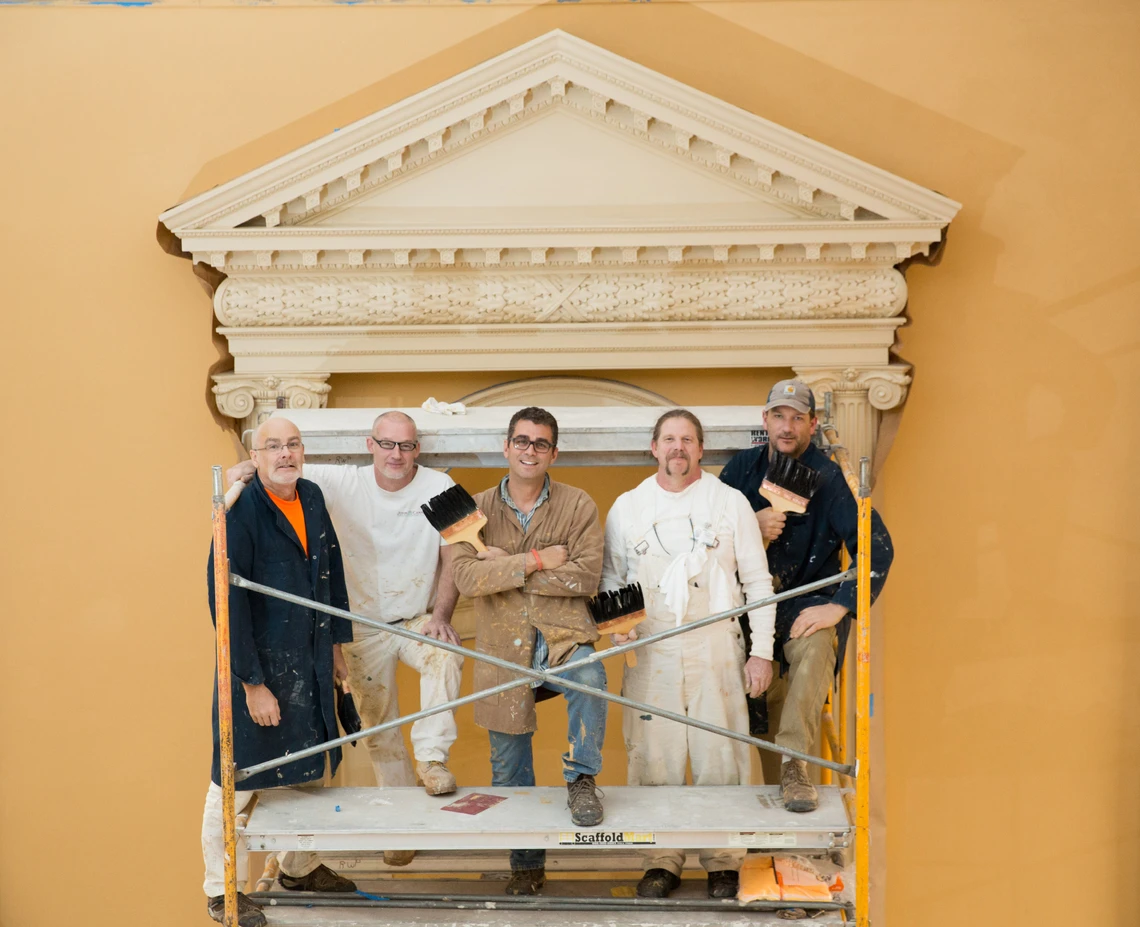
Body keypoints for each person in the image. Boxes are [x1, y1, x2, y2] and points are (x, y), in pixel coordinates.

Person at [228, 410, 464, 868]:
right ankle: (400, 827)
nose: (397, 454)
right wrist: (241, 470)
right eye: (388, 444)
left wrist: (441, 614)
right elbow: (280, 463)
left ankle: (433, 759)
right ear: (370, 444)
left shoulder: (440, 487)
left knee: (446, 655)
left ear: (418, 449)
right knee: (380, 731)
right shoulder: (338, 481)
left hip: (417, 618)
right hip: (360, 628)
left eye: (407, 446)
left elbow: (458, 550)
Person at [600, 408, 776, 900]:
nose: (678, 448)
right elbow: (612, 580)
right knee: (655, 755)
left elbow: (757, 582)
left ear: (701, 449)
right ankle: (661, 859)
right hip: (651, 646)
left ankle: (722, 861)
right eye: (669, 439)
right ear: (654, 448)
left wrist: (761, 652)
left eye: (688, 440)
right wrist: (619, 629)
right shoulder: (628, 507)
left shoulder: (730, 502)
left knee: (719, 752)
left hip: (716, 641)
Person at [204, 417, 356, 927]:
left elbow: (329, 576)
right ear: (256, 454)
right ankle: (219, 890)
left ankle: (298, 868)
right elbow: (225, 602)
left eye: (293, 444)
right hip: (260, 665)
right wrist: (251, 684)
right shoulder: (240, 507)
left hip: (309, 658)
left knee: (308, 769)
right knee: (235, 780)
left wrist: (336, 654)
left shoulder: (310, 496)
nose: (285, 454)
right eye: (273, 446)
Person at [450, 407, 607, 897]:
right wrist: (536, 559)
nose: (530, 450)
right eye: (522, 440)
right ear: (506, 446)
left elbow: (585, 576)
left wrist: (507, 569)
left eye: (541, 443)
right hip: (502, 646)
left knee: (591, 680)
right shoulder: (472, 511)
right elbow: (467, 578)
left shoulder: (578, 504)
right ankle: (525, 865)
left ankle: (582, 778)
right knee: (509, 764)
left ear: (553, 453)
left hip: (562, 636)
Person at [719, 380, 894, 812]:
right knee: (756, 717)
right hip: (745, 611)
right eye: (779, 415)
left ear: (813, 424)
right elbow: (705, 547)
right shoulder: (740, 471)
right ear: (765, 420)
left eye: (798, 418)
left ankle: (795, 761)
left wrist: (837, 606)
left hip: (803, 607)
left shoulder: (831, 478)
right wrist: (749, 529)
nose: (787, 426)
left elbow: (878, 548)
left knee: (818, 646)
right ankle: (759, 821)